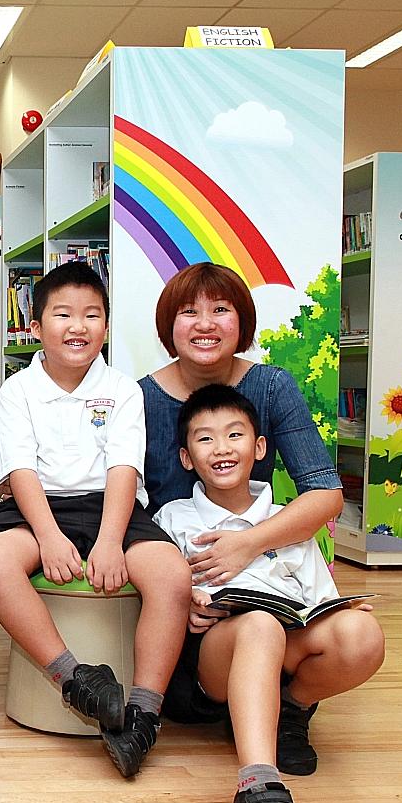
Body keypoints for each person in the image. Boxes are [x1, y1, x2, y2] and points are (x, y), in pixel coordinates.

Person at [154, 385, 385, 803]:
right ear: (186, 457)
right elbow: (153, 596)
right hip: (211, 665)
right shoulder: (174, 519)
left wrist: (341, 612)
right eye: (205, 439)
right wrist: (185, 604)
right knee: (258, 624)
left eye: (235, 435)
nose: (221, 448)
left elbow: (318, 599)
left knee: (362, 634)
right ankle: (258, 790)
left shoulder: (287, 524)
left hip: (285, 653)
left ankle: (291, 712)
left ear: (259, 448)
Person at [0, 262, 191, 778]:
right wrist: (47, 536)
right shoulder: (17, 391)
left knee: (171, 574)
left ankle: (143, 714)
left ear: (107, 327)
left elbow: (124, 468)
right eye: (63, 314)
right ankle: (75, 679)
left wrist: (111, 540)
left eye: (92, 315)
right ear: (36, 325)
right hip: (35, 506)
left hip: (108, 505)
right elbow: (21, 469)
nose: (78, 326)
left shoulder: (122, 389)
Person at [138, 262, 346, 772]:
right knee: (250, 629)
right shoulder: (138, 398)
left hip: (260, 578)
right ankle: (256, 771)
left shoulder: (272, 387)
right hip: (187, 595)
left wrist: (248, 542)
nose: (205, 323)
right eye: (189, 312)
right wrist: (173, 588)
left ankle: (290, 712)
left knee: (359, 636)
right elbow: (124, 510)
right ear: (169, 325)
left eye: (221, 310)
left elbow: (324, 492)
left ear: (242, 322)